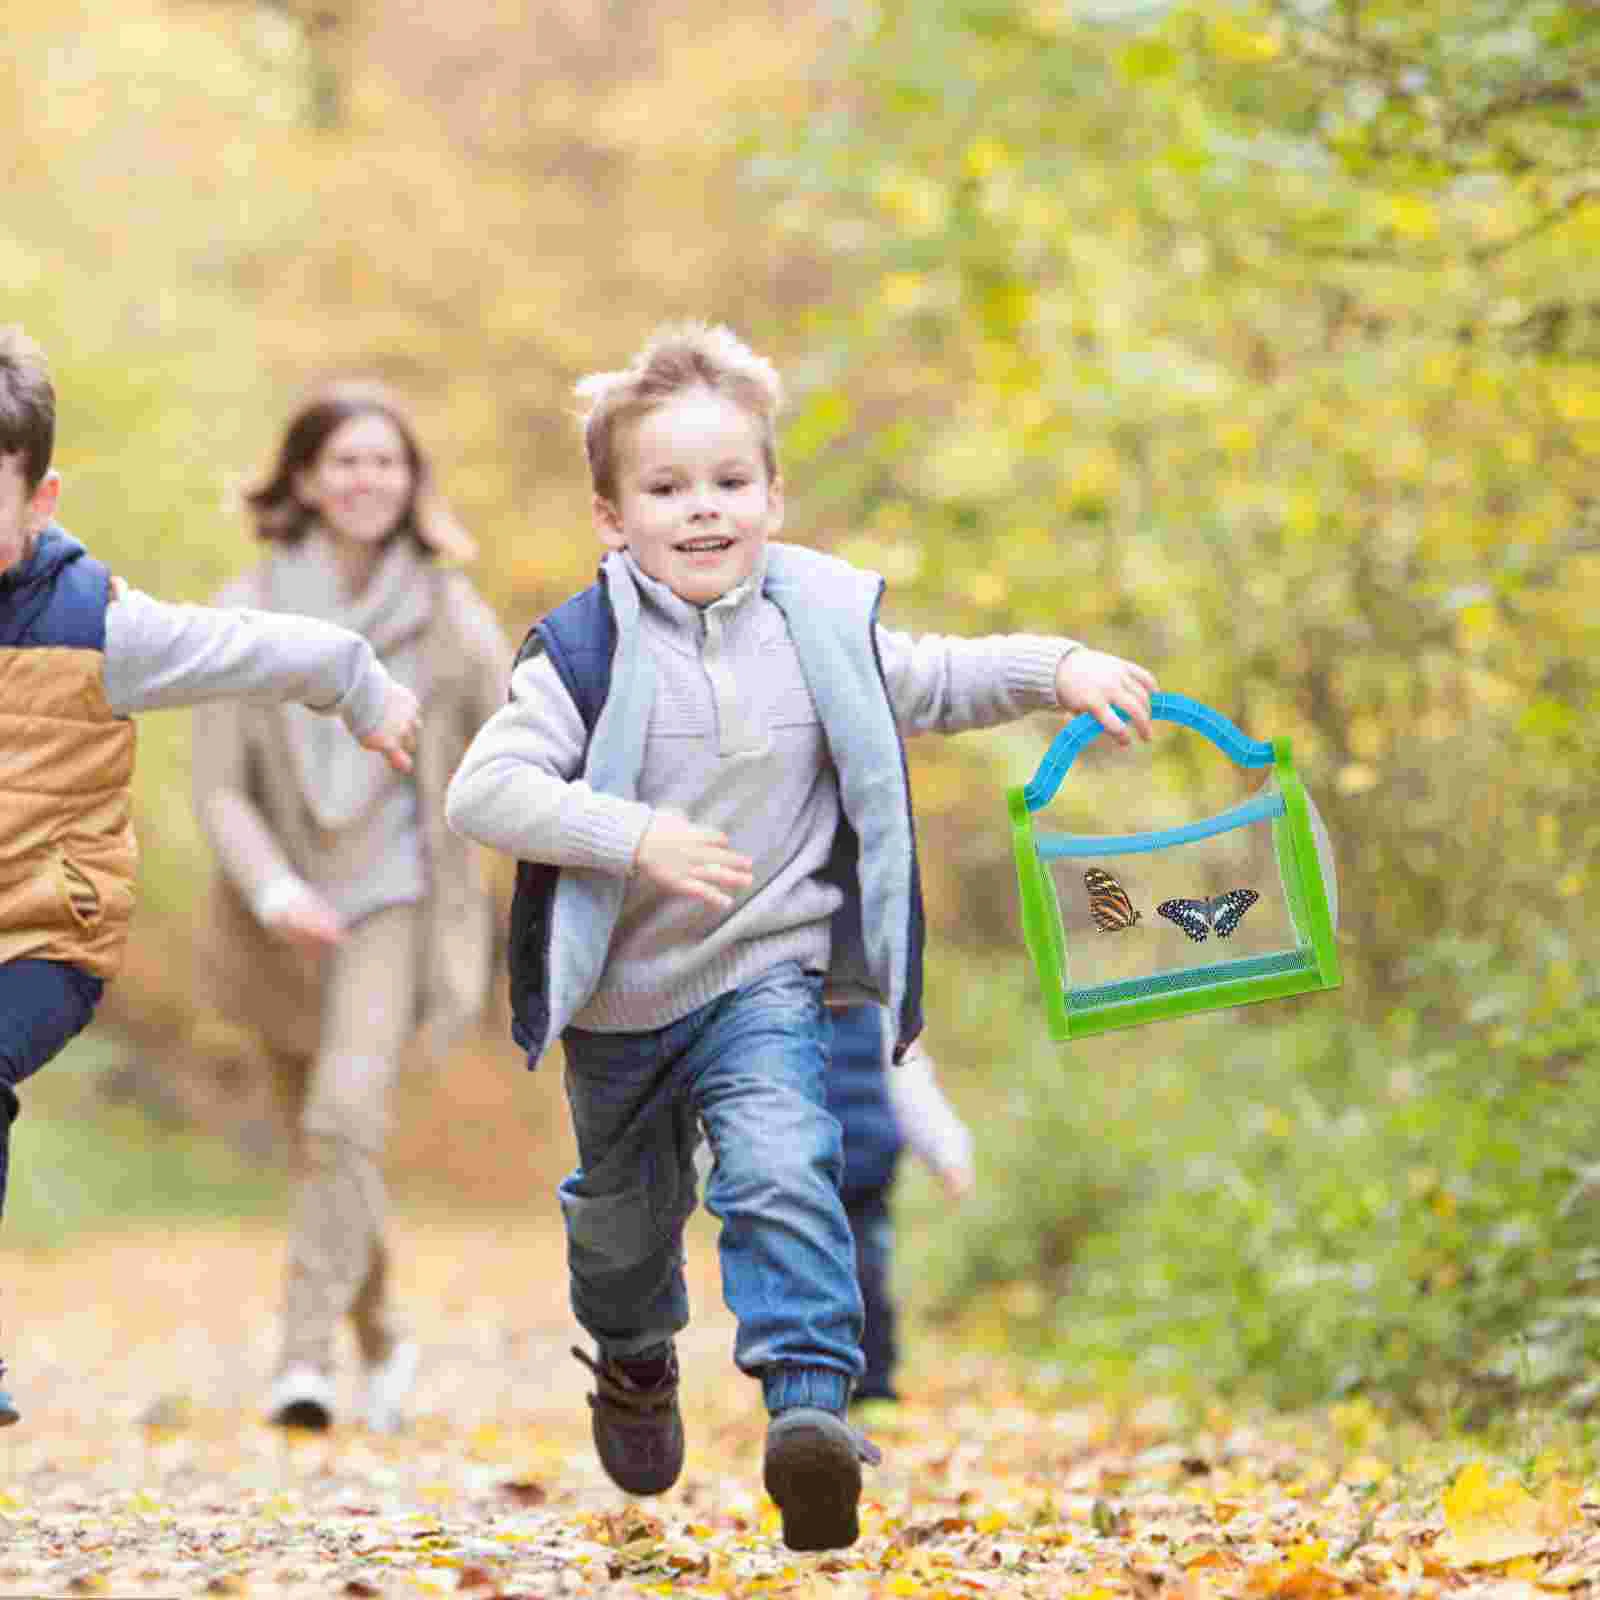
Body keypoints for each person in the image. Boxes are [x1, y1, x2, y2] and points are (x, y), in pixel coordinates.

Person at [444, 321, 1157, 1551]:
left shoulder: (820, 626)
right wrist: (631, 837)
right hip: (620, 1005)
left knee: (784, 1166)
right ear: (613, 517)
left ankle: (811, 1410)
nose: (704, 510)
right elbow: (482, 795)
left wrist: (1063, 667)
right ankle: (631, 1359)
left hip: (766, 973)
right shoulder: (582, 654)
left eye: (729, 483)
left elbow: (936, 678)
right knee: (623, 1228)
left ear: (773, 495)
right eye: (667, 489)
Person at [0, 326, 422, 1428]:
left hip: (45, 931)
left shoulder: (101, 627)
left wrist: (363, 689)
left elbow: (276, 651)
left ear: (39, 502)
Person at [191, 379, 511, 1434]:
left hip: (397, 897)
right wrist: (274, 887)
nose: (368, 479)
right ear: (304, 478)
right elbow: (220, 786)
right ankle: (386, 1337)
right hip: (276, 909)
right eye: (346, 460)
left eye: (388, 460)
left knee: (343, 1117)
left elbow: (520, 741)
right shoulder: (245, 611)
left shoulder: (448, 613)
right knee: (325, 1144)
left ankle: (303, 1359)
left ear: (412, 482)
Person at [825, 1003, 974, 1417]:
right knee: (807, 1287)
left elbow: (915, 1095)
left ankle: (874, 1387)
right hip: (802, 1185)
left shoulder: (883, 1022)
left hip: (865, 1182)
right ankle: (812, 1388)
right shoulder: (779, 1016)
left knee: (868, 1283)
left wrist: (949, 1155)